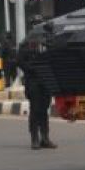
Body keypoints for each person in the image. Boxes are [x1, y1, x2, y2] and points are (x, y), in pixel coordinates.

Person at [17, 16, 56, 150]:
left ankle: (45, 138)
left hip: (45, 80)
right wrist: (32, 69)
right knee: (35, 109)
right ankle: (35, 138)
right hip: (33, 81)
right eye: (36, 24)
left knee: (44, 109)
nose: (38, 27)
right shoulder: (27, 42)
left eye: (40, 24)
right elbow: (20, 60)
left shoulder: (47, 40)